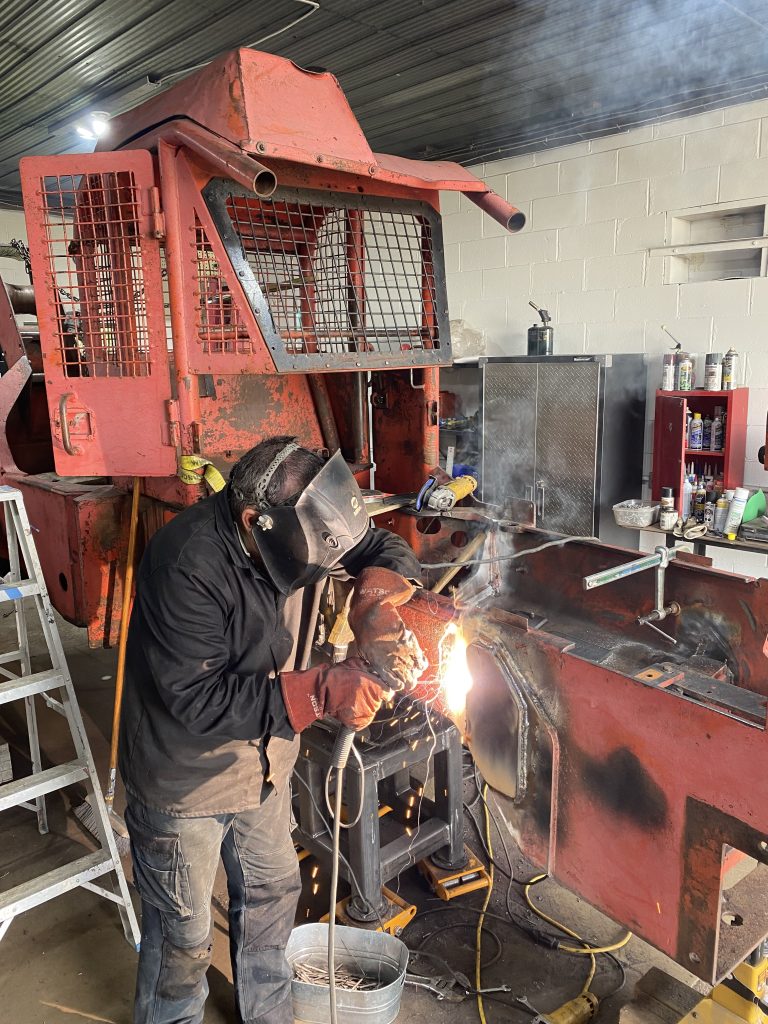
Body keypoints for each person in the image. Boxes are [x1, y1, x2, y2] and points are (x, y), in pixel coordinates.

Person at [119, 436, 425, 1024]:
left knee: (270, 899)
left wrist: (377, 606)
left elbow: (376, 544)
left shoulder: (300, 523)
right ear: (255, 522)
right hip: (187, 783)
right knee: (181, 935)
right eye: (311, 554)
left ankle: (268, 1015)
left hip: (264, 769)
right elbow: (197, 699)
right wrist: (323, 690)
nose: (322, 561)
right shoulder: (184, 565)